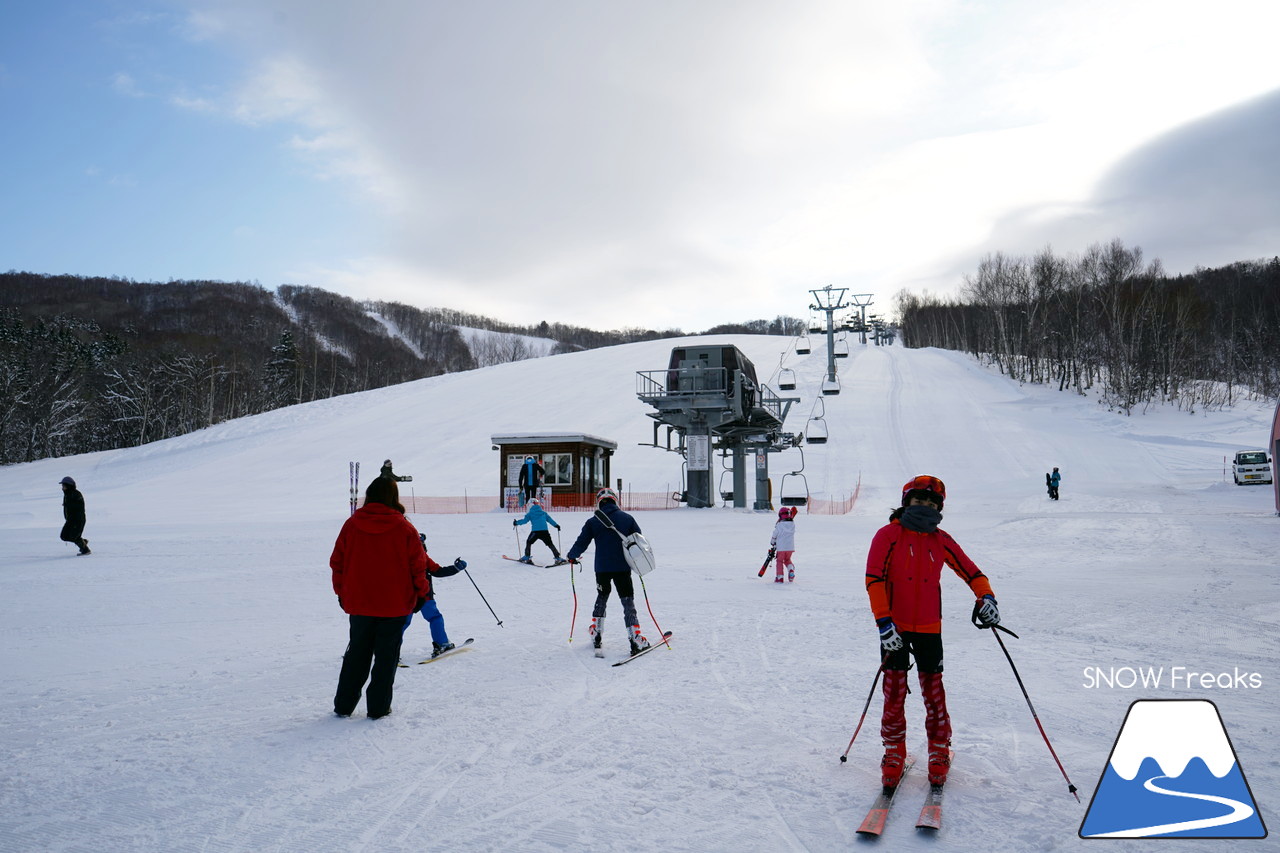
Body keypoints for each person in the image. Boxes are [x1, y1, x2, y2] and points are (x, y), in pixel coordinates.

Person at [864, 475, 1000, 788]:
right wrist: (884, 623)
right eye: (918, 500)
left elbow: (973, 572)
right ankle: (894, 749)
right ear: (906, 502)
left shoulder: (941, 540)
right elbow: (874, 579)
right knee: (894, 691)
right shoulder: (888, 535)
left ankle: (939, 747)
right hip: (894, 626)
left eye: (930, 502)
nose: (924, 506)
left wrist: (987, 596)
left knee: (933, 692)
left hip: (928, 626)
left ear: (938, 506)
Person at [330, 476, 427, 719]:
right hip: (395, 604)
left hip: (359, 603)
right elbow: (418, 566)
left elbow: (337, 563)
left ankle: (344, 705)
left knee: (356, 654)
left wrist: (341, 592)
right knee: (386, 658)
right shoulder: (404, 527)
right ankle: (378, 707)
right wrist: (422, 594)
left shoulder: (352, 525)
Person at [566, 488, 651, 656]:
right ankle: (635, 637)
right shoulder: (627, 518)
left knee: (602, 597)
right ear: (615, 500)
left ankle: (596, 632)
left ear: (599, 502)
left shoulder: (593, 521)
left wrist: (572, 556)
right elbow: (639, 540)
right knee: (627, 601)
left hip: (602, 568)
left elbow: (582, 542)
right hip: (623, 567)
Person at [401, 532, 466, 658]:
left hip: (410, 596)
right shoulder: (420, 556)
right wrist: (456, 568)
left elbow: (437, 570)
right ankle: (442, 643)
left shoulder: (404, 556)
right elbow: (437, 571)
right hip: (420, 595)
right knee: (433, 618)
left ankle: (390, 649)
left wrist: (455, 568)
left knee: (402, 622)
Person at [513, 498, 565, 565]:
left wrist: (516, 523)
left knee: (529, 542)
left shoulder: (530, 513)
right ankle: (558, 558)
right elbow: (550, 520)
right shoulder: (543, 513)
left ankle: (527, 557)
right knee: (550, 544)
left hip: (535, 532)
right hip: (545, 532)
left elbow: (524, 521)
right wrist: (556, 525)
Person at [59, 476, 90, 555]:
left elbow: (80, 506)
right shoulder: (67, 495)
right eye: (62, 486)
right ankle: (82, 542)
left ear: (69, 485)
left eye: (64, 486)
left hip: (78, 520)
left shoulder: (76, 494)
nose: (62, 488)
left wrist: (68, 504)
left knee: (74, 536)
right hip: (70, 520)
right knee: (64, 536)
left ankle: (85, 550)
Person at [769, 506, 798, 583]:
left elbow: (775, 534)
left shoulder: (779, 525)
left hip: (781, 548)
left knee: (779, 561)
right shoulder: (792, 525)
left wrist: (772, 542)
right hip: (790, 548)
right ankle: (791, 570)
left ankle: (780, 577)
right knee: (787, 560)